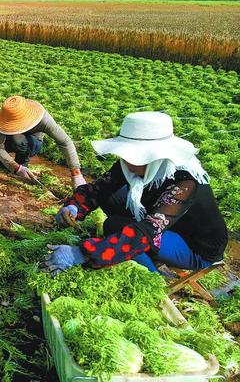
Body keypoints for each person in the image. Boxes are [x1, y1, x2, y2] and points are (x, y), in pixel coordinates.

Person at [44, 111, 228, 275]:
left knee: (115, 226)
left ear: (157, 157)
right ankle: (139, 253)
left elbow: (147, 232)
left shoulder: (185, 182)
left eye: (135, 157)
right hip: (164, 221)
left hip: (194, 246)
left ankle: (150, 275)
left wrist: (83, 253)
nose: (127, 162)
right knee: (111, 196)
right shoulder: (131, 164)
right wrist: (75, 206)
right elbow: (100, 188)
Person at [0, 96, 85, 188]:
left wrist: (76, 174)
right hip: (10, 138)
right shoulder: (4, 118)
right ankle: (15, 166)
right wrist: (15, 167)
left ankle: (23, 161)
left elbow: (65, 142)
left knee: (18, 140)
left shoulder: (43, 119)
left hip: (32, 141)